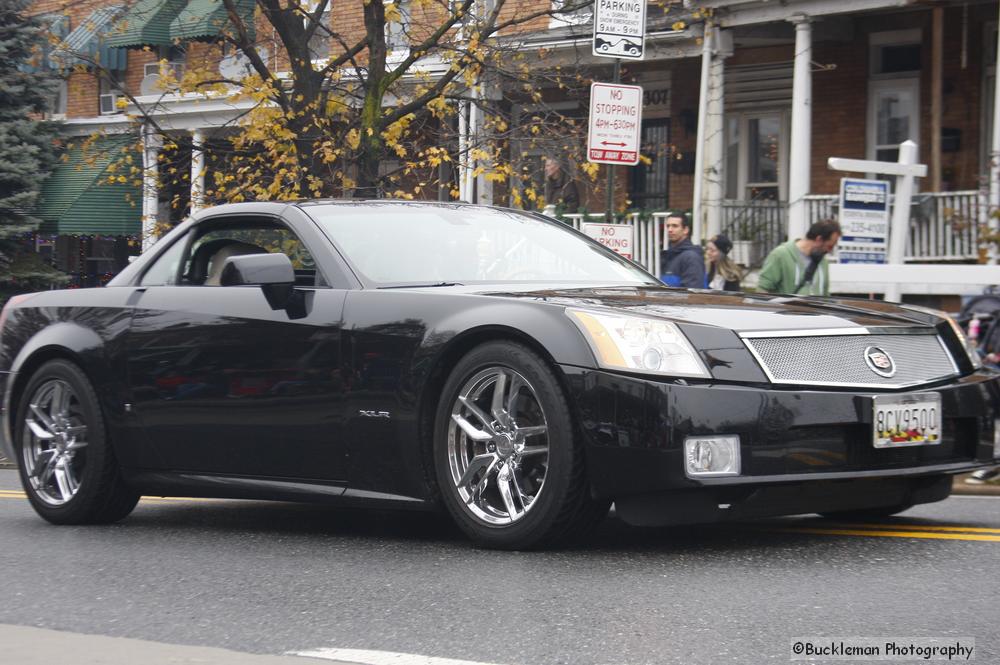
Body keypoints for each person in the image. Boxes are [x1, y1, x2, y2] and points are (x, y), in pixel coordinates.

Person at [757, 220, 841, 296]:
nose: (829, 251)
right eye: (830, 246)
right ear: (819, 239)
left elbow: (825, 295)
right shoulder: (780, 255)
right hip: (787, 312)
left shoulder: (823, 261)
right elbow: (762, 290)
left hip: (817, 313)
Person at [660, 212, 705, 288]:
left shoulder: (691, 257)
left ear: (686, 230)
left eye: (675, 226)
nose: (670, 230)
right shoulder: (670, 255)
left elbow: (693, 291)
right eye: (668, 226)